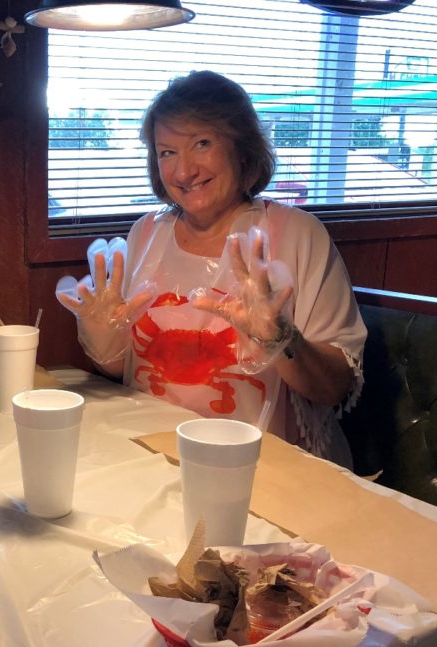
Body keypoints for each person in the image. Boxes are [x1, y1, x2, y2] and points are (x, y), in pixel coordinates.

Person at [57, 71, 366, 465]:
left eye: (201, 143)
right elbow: (125, 369)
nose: (183, 172)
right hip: (152, 455)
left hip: (268, 469)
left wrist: (281, 341)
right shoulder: (145, 234)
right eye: (167, 152)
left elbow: (335, 388)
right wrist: (101, 329)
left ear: (241, 148)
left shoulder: (297, 235)